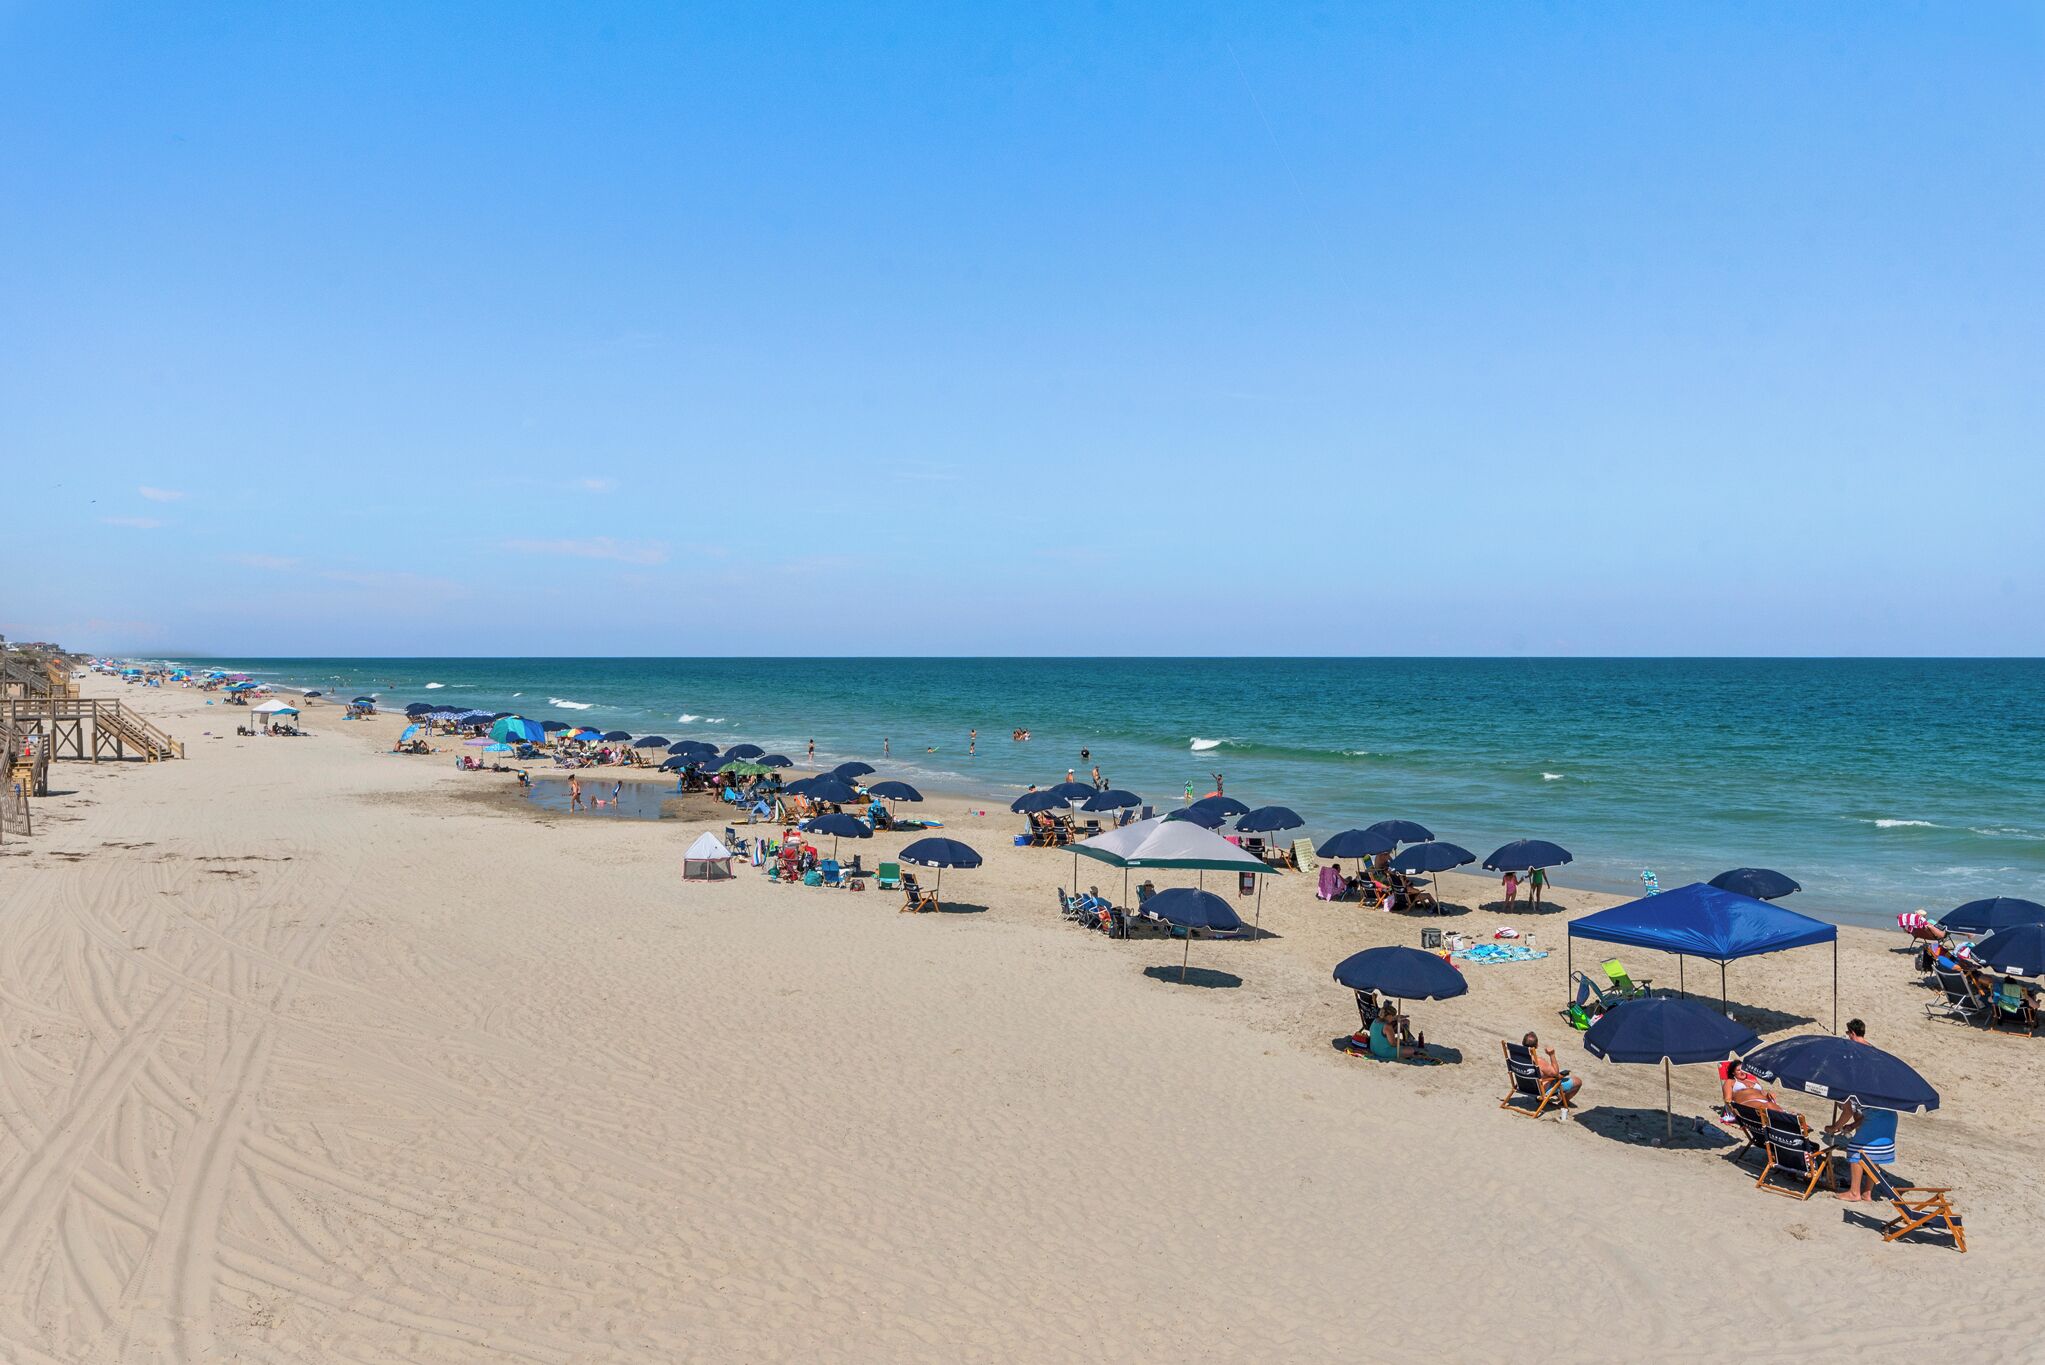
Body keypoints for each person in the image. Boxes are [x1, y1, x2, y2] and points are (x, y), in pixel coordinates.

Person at [1524, 1032, 1582, 1103]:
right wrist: (1552, 1054)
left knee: (1547, 1074)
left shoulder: (1518, 1058)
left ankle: (1559, 1094)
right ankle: (1564, 1102)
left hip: (1524, 1086)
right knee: (1577, 1081)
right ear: (1536, 1045)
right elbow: (1555, 1074)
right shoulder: (1538, 1061)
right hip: (1540, 1090)